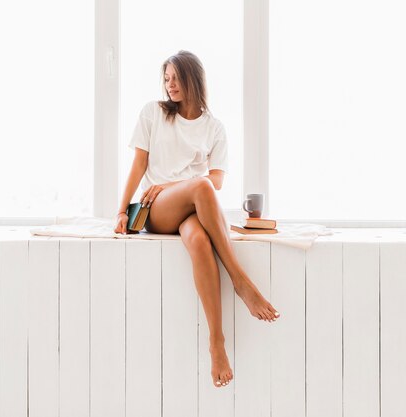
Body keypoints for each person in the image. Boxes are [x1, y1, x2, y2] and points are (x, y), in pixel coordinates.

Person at [114, 50, 280, 388]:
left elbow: (216, 181)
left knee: (200, 242)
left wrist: (177, 184)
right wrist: (120, 209)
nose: (169, 85)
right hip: (157, 208)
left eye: (175, 78)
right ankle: (241, 282)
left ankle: (216, 343)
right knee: (201, 186)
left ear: (193, 80)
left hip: (192, 208)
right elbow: (139, 167)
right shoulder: (154, 114)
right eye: (166, 79)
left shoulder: (214, 128)